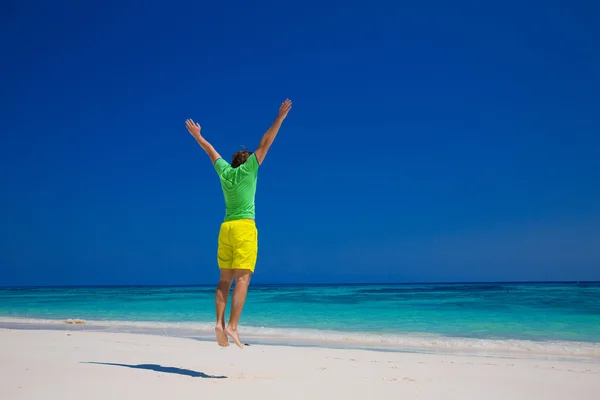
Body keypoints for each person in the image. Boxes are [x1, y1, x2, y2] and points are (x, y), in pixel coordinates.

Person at [185, 99, 292, 348]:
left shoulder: (225, 172)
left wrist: (198, 136)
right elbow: (266, 143)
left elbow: (211, 151)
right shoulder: (249, 171)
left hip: (226, 229)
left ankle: (219, 322)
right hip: (244, 227)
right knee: (243, 278)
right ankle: (232, 326)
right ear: (249, 163)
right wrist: (280, 118)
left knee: (224, 279)